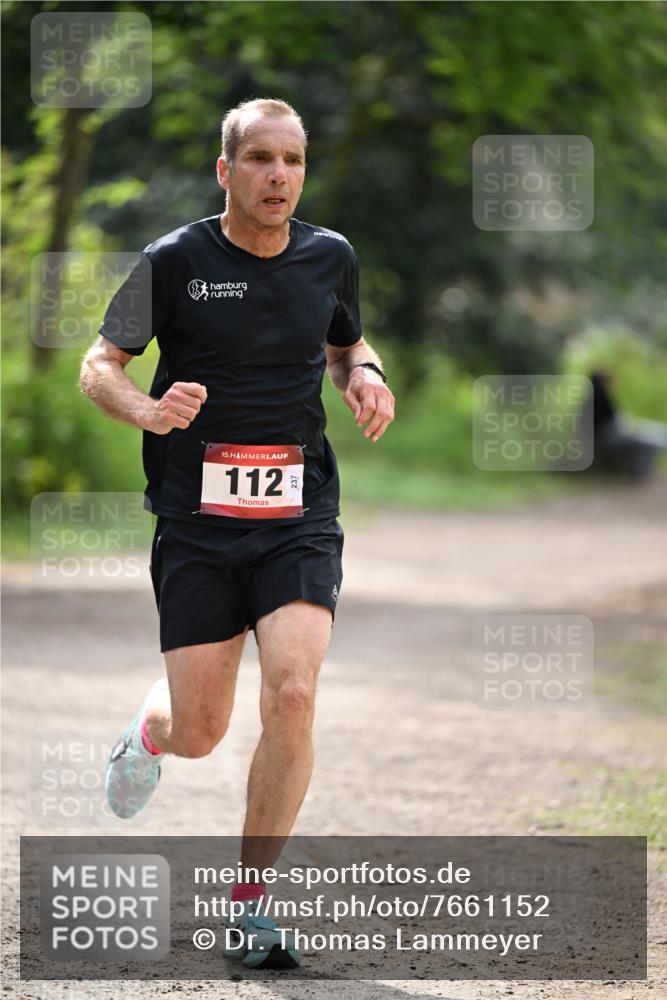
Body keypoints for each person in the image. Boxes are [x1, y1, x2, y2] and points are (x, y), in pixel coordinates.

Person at [79, 97, 395, 969]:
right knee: (202, 730)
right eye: (259, 159)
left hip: (298, 515)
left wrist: (365, 375)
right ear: (226, 170)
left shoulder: (330, 256)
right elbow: (100, 365)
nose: (277, 176)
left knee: (292, 693)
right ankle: (151, 731)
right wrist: (149, 410)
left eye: (292, 160)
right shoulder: (173, 260)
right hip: (197, 525)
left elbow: (345, 342)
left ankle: (250, 905)